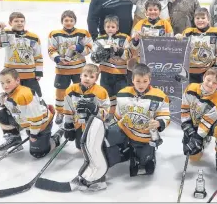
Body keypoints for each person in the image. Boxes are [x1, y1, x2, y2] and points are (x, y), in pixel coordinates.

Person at [67, 63, 170, 192]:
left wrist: (159, 122)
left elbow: (165, 114)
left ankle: (139, 153)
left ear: (150, 80)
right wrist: (109, 131)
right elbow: (117, 116)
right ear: (132, 80)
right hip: (124, 129)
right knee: (102, 142)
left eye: (145, 81)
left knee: (145, 168)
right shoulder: (123, 94)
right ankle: (101, 169)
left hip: (143, 136)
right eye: (138, 81)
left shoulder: (159, 96)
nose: (141, 84)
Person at [0, 68, 62, 157]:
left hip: (41, 124)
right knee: (2, 115)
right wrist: (4, 102)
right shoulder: (10, 92)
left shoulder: (24, 95)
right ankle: (14, 138)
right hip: (26, 121)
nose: (5, 86)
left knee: (37, 153)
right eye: (2, 83)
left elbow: (37, 118)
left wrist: (33, 135)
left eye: (8, 81)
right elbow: (16, 109)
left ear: (17, 80)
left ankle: (56, 138)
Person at [48, 10, 93, 124]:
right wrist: (58, 58)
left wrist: (79, 48)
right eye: (66, 20)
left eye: (71, 20)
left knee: (80, 90)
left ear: (75, 21)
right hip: (62, 69)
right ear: (62, 21)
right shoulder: (54, 34)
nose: (68, 22)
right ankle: (60, 112)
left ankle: (80, 110)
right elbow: (51, 50)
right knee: (61, 91)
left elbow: (89, 48)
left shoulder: (83, 33)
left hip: (79, 69)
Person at [0, 12, 43, 97]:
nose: (19, 23)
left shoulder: (34, 37)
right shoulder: (7, 34)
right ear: (10, 23)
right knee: (13, 100)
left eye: (22, 21)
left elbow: (38, 56)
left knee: (35, 98)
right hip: (11, 76)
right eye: (16, 21)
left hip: (29, 75)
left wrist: (38, 72)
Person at [90, 16, 136, 123]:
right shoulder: (100, 39)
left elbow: (129, 54)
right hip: (105, 73)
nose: (110, 29)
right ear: (104, 27)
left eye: (113, 26)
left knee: (121, 94)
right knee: (108, 94)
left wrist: (118, 51)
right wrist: (100, 55)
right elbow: (93, 57)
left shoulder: (124, 38)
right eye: (108, 26)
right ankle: (110, 113)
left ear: (117, 27)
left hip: (120, 74)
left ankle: (120, 114)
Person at [181, 67, 217, 173]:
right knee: (193, 158)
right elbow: (184, 108)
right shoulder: (191, 88)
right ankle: (203, 140)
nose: (210, 84)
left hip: (210, 122)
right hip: (194, 121)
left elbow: (207, 120)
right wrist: (189, 128)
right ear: (204, 77)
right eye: (208, 80)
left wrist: (197, 137)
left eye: (215, 83)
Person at [62, 64, 110, 150]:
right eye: (85, 75)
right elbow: (67, 108)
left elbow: (106, 113)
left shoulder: (101, 92)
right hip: (78, 124)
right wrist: (68, 125)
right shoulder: (71, 90)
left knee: (94, 148)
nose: (87, 78)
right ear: (80, 75)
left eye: (91, 77)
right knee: (80, 147)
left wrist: (95, 109)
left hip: (94, 125)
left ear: (96, 79)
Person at [176, 7, 217, 88]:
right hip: (191, 72)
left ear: (208, 19)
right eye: (197, 18)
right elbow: (180, 49)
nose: (200, 20)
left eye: (203, 18)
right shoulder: (188, 32)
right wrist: (178, 40)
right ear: (194, 20)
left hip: (208, 71)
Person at [127, 0, 174, 83]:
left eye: (155, 9)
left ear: (159, 11)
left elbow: (171, 41)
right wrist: (136, 39)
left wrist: (166, 53)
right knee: (144, 80)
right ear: (146, 11)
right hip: (143, 59)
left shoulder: (165, 24)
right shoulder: (140, 23)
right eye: (150, 10)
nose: (153, 12)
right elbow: (133, 44)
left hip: (160, 59)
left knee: (158, 81)